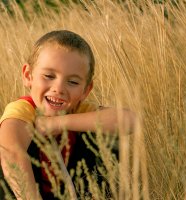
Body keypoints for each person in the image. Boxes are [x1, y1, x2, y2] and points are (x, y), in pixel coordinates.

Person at [0, 30, 135, 200]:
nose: (59, 88)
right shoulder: (23, 109)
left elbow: (131, 121)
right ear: (28, 75)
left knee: (108, 135)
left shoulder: (79, 110)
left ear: (86, 90)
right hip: (26, 193)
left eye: (72, 82)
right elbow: (11, 152)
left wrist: (57, 123)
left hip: (70, 190)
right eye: (49, 76)